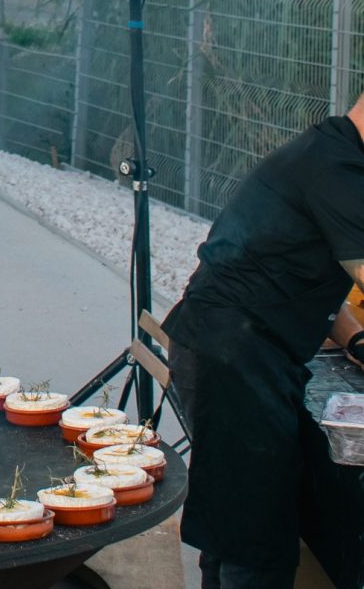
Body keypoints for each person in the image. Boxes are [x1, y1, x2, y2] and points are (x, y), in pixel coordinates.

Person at [162, 94, 364, 589]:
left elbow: (306, 275)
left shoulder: (330, 153)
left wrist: (356, 339)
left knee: (237, 522)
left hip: (227, 344)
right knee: (259, 543)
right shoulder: (337, 169)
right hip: (233, 353)